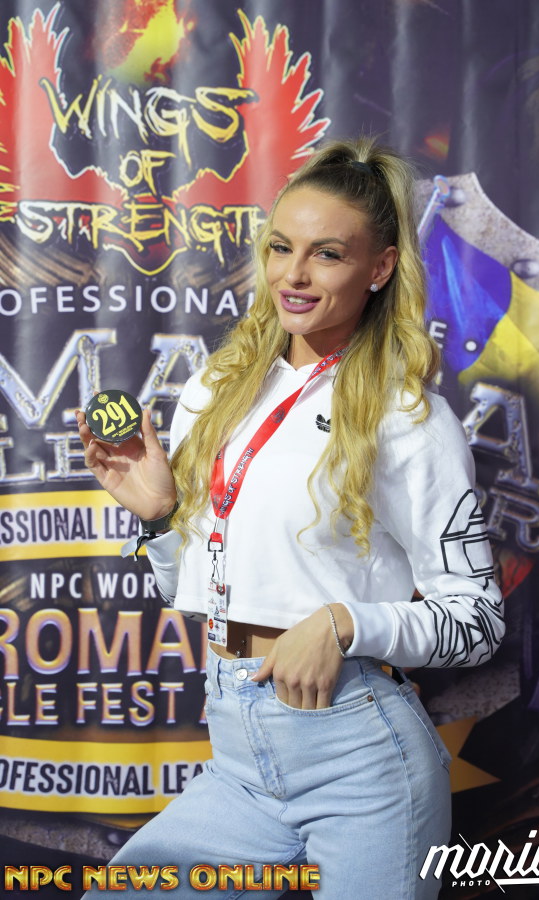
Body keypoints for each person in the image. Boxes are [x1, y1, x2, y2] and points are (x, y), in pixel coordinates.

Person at [77, 137, 505, 900]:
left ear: (379, 268)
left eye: (327, 254)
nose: (293, 275)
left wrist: (344, 623)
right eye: (281, 247)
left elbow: (478, 622)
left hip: (358, 753)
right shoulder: (217, 391)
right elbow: (201, 595)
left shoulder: (410, 418)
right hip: (238, 753)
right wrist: (161, 520)